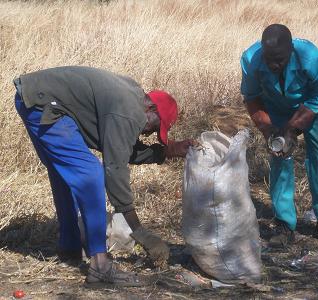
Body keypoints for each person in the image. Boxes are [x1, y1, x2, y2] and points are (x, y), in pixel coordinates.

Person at [13, 66, 194, 287]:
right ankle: (100, 266)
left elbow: (122, 147)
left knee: (65, 173)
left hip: (33, 96)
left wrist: (166, 151)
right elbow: (115, 167)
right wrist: (140, 232)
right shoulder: (128, 112)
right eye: (155, 127)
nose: (148, 133)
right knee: (91, 174)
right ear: (151, 108)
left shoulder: (131, 98)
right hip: (44, 104)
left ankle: (69, 246)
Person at [240, 24, 318, 247]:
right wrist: (269, 130)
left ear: (290, 49)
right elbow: (251, 98)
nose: (273, 64)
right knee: (279, 156)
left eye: (279, 59)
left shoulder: (311, 56)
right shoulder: (251, 59)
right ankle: (284, 223)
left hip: (311, 106)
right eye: (269, 58)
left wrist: (292, 129)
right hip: (276, 108)